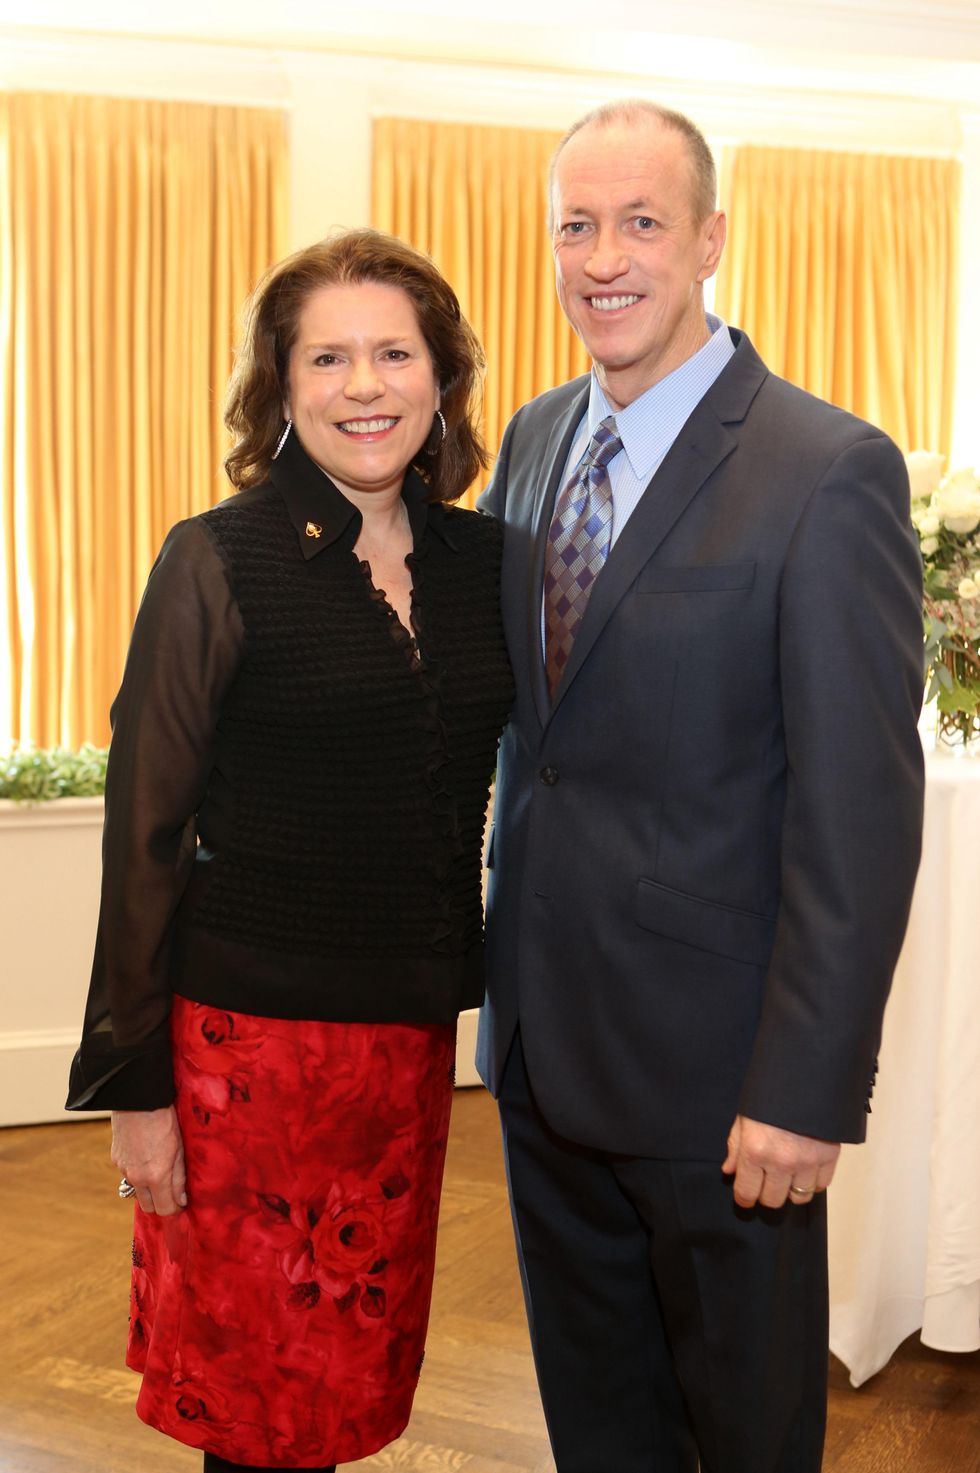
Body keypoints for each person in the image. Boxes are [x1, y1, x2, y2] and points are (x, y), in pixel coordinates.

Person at [478, 100, 924, 1473]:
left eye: (641, 222)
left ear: (711, 239)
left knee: (742, 1441)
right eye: (575, 224)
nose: (603, 257)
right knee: (600, 1432)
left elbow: (859, 815)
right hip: (543, 1061)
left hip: (723, 1091)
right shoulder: (537, 438)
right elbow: (534, 743)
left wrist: (804, 1084)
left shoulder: (825, 469)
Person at [66, 228, 513, 1473]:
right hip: (241, 1066)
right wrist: (136, 1088)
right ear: (281, 384)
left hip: (406, 1053)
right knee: (257, 1415)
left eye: (391, 353)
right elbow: (143, 834)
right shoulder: (217, 559)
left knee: (343, 1401)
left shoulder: (487, 563)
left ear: (440, 378)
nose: (362, 386)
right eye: (327, 357)